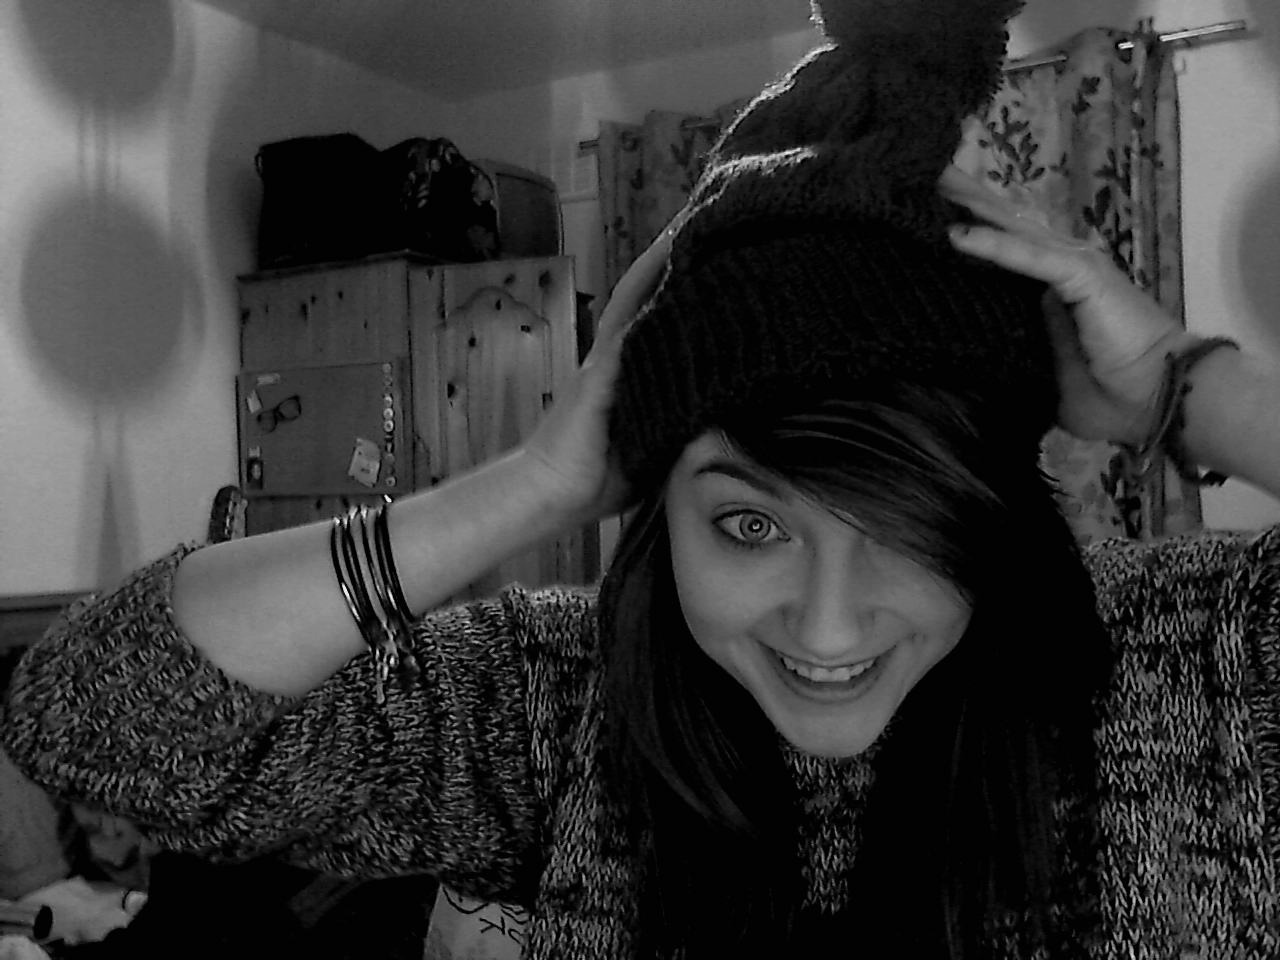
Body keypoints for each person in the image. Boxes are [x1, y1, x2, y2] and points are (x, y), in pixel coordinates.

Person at [5, 0, 1280, 956]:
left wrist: (1186, 391)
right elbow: (96, 729)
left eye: (902, 529)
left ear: (988, 517)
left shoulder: (1192, 677)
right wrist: (530, 483)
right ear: (653, 502)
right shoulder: (558, 708)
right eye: (746, 525)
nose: (826, 628)